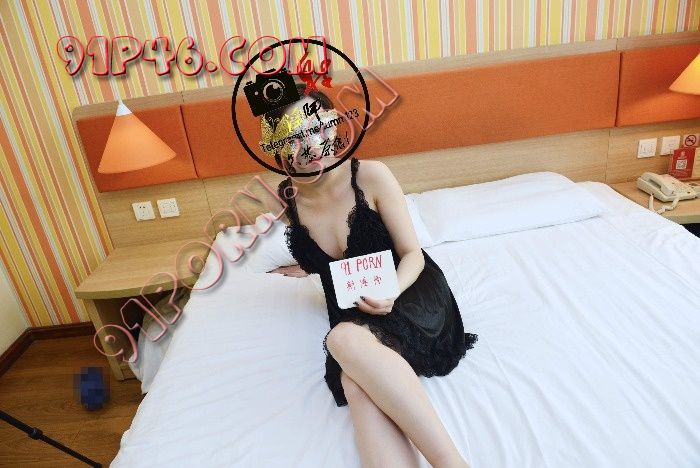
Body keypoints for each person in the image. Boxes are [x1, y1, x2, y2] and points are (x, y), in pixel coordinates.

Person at [265, 83, 478, 468]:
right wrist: (306, 265)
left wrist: (392, 291)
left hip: (408, 289)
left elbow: (412, 254)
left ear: (333, 124)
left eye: (316, 127)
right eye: (293, 136)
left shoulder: (371, 176)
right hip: (353, 306)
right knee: (354, 380)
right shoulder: (287, 196)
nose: (309, 144)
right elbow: (325, 257)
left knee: (341, 340)